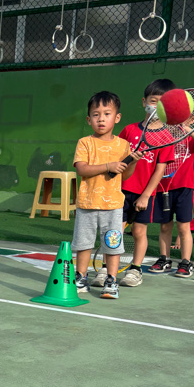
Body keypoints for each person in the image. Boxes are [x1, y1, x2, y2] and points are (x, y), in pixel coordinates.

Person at [72, 91, 139, 299]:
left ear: (117, 118)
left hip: (113, 205)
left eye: (107, 114)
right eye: (96, 114)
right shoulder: (85, 142)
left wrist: (132, 162)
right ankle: (80, 278)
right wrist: (108, 166)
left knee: (112, 244)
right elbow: (81, 169)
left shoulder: (123, 145)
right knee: (83, 244)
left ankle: (111, 281)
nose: (101, 119)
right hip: (87, 203)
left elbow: (125, 175)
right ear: (88, 119)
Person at [115, 80, 177, 288]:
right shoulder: (129, 130)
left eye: (163, 103)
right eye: (153, 101)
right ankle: (108, 269)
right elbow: (118, 157)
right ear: (144, 102)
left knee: (139, 232)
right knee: (114, 231)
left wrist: (145, 195)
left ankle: (135, 269)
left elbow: (160, 170)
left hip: (144, 194)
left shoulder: (166, 137)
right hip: (120, 191)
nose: (157, 106)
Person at [147, 121, 194, 277]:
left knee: (183, 227)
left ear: (192, 119)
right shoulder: (163, 137)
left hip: (185, 188)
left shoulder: (193, 136)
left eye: (182, 117)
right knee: (164, 226)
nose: (177, 122)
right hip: (162, 187)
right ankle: (164, 259)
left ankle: (185, 262)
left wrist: (186, 129)